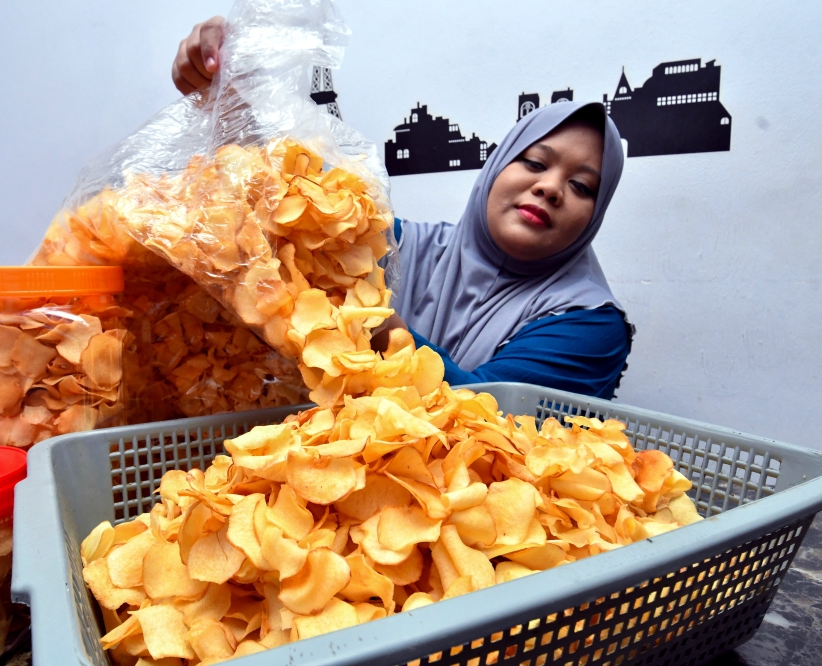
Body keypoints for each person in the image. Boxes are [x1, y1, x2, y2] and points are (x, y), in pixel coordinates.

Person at [172, 20, 632, 400]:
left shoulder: (587, 323)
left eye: (580, 186)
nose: (550, 188)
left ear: (595, 214)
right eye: (534, 162)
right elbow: (283, 211)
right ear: (494, 170)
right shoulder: (404, 245)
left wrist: (372, 323)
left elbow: (492, 419)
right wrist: (225, 97)